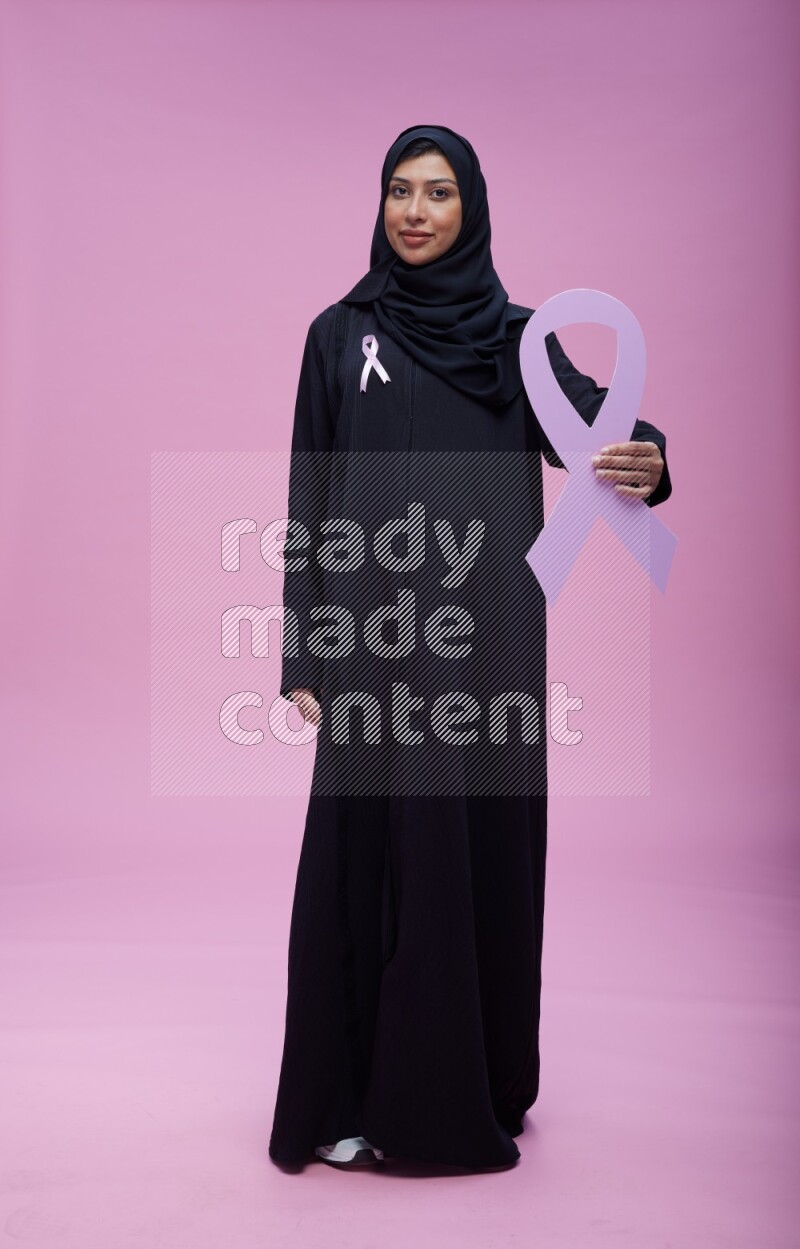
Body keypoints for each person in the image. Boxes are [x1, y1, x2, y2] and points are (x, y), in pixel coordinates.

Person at [268, 125, 672, 1172]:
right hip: (366, 647)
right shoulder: (336, 334)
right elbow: (310, 497)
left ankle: (466, 1091)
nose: (415, 211)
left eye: (438, 192)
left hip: (483, 648)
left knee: (471, 854)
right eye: (399, 190)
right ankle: (347, 1097)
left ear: (471, 207)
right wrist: (304, 655)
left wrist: (647, 458)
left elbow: (599, 426)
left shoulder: (517, 342)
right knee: (363, 860)